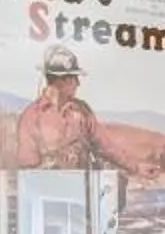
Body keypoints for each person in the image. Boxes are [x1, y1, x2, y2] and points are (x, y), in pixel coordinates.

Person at [13, 44, 148, 171]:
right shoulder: (31, 117)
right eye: (74, 78)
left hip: (83, 190)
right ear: (61, 81)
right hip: (49, 191)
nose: (78, 83)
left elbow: (106, 147)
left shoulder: (82, 111)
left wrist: (136, 167)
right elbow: (28, 168)